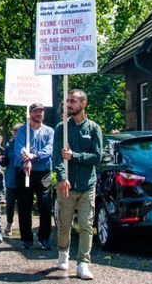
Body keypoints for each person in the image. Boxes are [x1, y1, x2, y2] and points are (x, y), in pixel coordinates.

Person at [53, 90, 103, 280]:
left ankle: (83, 263)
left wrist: (75, 156)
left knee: (86, 224)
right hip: (67, 185)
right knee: (64, 223)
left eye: (73, 101)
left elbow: (97, 157)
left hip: (87, 185)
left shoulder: (93, 128)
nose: (69, 104)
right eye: (67, 101)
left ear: (83, 104)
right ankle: (63, 252)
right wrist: (61, 177)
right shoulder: (62, 128)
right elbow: (57, 156)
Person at [14, 102, 54, 250]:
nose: (39, 114)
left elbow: (49, 149)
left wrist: (34, 156)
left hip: (43, 172)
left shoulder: (49, 131)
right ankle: (26, 238)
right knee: (25, 205)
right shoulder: (23, 130)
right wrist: (26, 158)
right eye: (36, 111)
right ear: (30, 114)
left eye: (41, 111)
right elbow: (19, 146)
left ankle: (44, 237)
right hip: (24, 172)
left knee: (45, 204)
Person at [0, 125, 19, 236]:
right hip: (11, 179)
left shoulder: (26, 143)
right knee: (10, 204)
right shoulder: (9, 144)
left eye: (16, 132)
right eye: (13, 132)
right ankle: (9, 223)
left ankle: (25, 227)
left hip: (23, 179)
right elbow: (5, 162)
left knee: (23, 205)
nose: (14, 134)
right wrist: (1, 159)